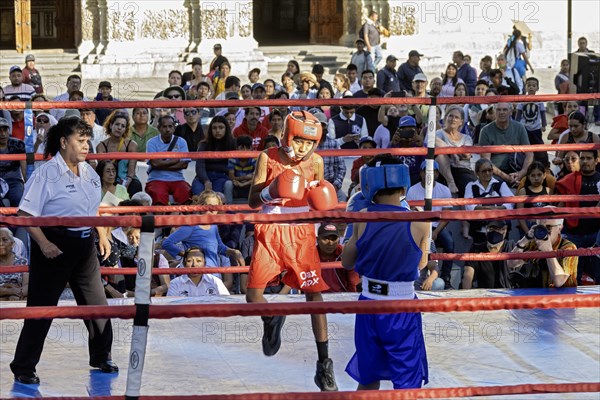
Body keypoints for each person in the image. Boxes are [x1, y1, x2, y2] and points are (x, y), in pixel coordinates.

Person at [10, 117, 118, 384]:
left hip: (84, 246)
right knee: (41, 309)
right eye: (80, 141)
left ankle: (101, 356)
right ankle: (23, 366)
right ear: (63, 142)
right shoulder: (47, 173)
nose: (86, 146)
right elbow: (24, 214)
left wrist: (102, 233)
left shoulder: (90, 171)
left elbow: (93, 207)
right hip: (54, 244)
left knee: (97, 305)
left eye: (88, 140)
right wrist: (44, 243)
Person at [246, 111, 338, 391]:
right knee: (253, 297)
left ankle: (324, 365)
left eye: (310, 143)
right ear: (288, 136)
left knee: (314, 294)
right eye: (299, 141)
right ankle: (271, 317)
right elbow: (251, 201)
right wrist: (270, 191)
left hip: (301, 233)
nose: (304, 148)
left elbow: (318, 202)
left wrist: (324, 213)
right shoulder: (268, 157)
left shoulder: (317, 162)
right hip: (270, 229)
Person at [341, 154, 430, 390]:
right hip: (402, 306)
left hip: (369, 304)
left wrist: (355, 229)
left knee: (368, 377)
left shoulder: (362, 218)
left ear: (368, 183)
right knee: (407, 380)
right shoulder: (421, 221)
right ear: (403, 183)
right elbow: (421, 265)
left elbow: (347, 263)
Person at [162, 191, 244, 290]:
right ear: (201, 206)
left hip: (213, 275)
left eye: (215, 208)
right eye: (209, 207)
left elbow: (219, 247)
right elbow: (167, 243)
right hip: (196, 275)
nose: (212, 211)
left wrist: (234, 252)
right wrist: (187, 255)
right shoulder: (192, 224)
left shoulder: (213, 225)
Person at [406, 161, 455, 289]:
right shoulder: (412, 190)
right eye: (426, 171)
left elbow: (447, 216)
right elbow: (411, 213)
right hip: (419, 226)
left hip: (437, 226)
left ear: (437, 173)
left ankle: (446, 278)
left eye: (432, 171)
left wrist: (435, 232)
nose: (429, 174)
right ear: (421, 173)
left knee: (449, 242)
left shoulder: (444, 190)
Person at [555, 150, 600, 284]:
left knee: (599, 273)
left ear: (597, 160)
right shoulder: (569, 180)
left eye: (589, 158)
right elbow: (561, 206)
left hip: (596, 233)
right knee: (574, 275)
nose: (585, 161)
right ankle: (574, 303)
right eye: (582, 158)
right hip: (574, 233)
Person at [509, 216, 578, 288]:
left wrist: (548, 251)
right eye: (540, 227)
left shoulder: (568, 247)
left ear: (559, 228)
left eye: (548, 227)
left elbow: (559, 282)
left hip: (563, 296)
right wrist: (525, 239)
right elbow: (511, 264)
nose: (544, 231)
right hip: (540, 294)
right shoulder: (534, 243)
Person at [479, 102, 533, 186]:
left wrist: (521, 173)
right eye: (498, 110)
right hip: (496, 173)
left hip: (518, 169)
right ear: (494, 111)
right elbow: (486, 161)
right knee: (495, 185)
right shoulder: (485, 131)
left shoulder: (519, 127)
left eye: (505, 109)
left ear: (511, 111)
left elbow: (529, 154)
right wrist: (507, 178)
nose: (501, 112)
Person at [463, 158, 514, 244]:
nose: (487, 173)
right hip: (479, 225)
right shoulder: (471, 186)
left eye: (490, 170)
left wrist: (497, 208)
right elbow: (468, 205)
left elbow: (511, 201)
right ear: (477, 173)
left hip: (499, 225)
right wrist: (485, 208)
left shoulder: (500, 184)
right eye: (484, 171)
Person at [145, 115, 192, 206]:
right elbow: (155, 164)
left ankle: (184, 219)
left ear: (174, 127)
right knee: (157, 196)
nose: (167, 129)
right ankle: (159, 220)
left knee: (185, 194)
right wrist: (174, 161)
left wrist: (161, 164)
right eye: (164, 126)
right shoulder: (151, 142)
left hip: (178, 179)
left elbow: (184, 165)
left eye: (170, 126)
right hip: (156, 179)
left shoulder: (181, 142)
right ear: (159, 128)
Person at [96, 110, 142, 197]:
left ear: (125, 129)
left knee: (135, 185)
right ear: (110, 125)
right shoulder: (101, 146)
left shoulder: (132, 145)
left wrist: (122, 189)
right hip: (108, 179)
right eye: (117, 124)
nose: (119, 128)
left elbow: (131, 173)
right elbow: (103, 171)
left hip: (128, 180)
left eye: (123, 126)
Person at [193, 116, 235, 202]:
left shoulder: (232, 143)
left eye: (221, 127)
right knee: (198, 198)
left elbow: (232, 166)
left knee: (215, 199)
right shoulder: (203, 144)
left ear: (226, 129)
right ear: (210, 130)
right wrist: (206, 181)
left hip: (222, 177)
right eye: (214, 128)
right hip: (203, 178)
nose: (217, 131)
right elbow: (199, 166)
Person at [462, 220, 514, 289]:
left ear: (504, 231)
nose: (494, 232)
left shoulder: (511, 248)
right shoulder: (476, 249)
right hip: (485, 295)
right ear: (486, 230)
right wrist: (466, 297)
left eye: (497, 229)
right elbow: (467, 275)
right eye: (491, 229)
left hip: (508, 294)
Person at [317, 223, 360, 293]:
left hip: (342, 296)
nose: (330, 243)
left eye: (334, 239)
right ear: (318, 239)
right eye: (326, 239)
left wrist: (349, 299)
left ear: (338, 240)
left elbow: (353, 283)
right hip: (317, 298)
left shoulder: (344, 253)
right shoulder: (310, 255)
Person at [515, 161, 552, 233]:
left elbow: (551, 212)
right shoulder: (523, 191)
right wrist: (527, 233)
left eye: (539, 175)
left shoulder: (548, 191)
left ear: (544, 175)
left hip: (544, 226)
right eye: (533, 175)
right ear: (528, 177)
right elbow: (520, 215)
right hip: (528, 226)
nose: (536, 178)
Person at [0, 117, 26, 207]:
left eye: (5, 130)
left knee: (18, 199)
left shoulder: (18, 144)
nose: (3, 134)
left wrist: (29, 186)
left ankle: (16, 221)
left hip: (14, 180)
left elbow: (24, 169)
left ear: (9, 131)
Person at [0, 228, 29, 301]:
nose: (1, 244)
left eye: (5, 240)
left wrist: (16, 293)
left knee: (22, 298)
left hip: (17, 297)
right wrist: (11, 291)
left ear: (12, 244)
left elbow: (27, 285)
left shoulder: (22, 261)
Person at [228, 135, 256, 201]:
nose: (245, 151)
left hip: (249, 184)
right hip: (236, 184)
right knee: (228, 184)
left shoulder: (255, 158)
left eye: (248, 148)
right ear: (237, 148)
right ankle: (228, 209)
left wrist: (243, 184)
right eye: (242, 148)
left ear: (251, 148)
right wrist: (246, 177)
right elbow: (231, 177)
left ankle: (255, 208)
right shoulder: (232, 159)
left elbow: (256, 177)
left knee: (257, 182)